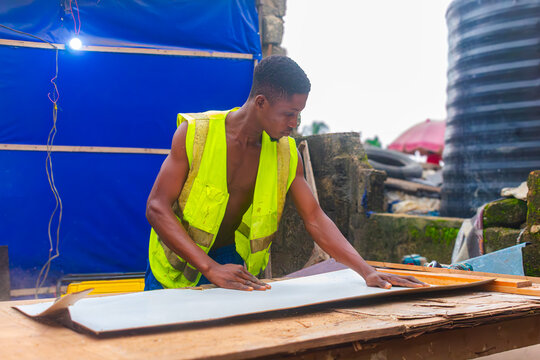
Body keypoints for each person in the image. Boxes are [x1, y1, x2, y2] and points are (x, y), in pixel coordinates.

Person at [145, 56, 426, 291]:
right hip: (176, 260)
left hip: (229, 259)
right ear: (261, 102)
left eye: (299, 115)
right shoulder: (196, 134)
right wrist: (208, 267)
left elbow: (315, 217)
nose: (294, 124)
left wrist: (366, 271)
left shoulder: (287, 153)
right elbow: (156, 207)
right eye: (288, 114)